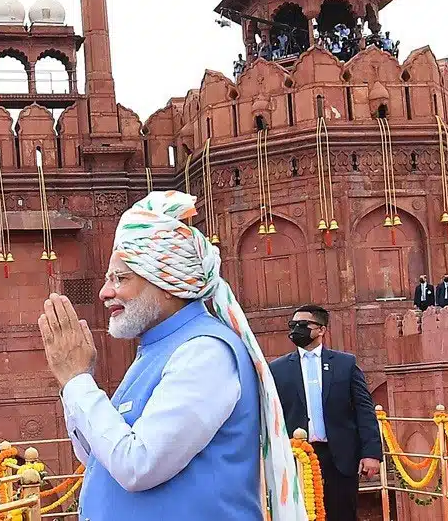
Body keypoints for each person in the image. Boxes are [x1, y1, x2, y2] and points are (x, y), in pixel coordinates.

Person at [38, 191, 305, 521]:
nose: (105, 293)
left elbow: (138, 464)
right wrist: (75, 384)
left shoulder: (204, 351)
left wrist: (78, 381)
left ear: (167, 283)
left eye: (120, 278)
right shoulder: (157, 349)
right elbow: (98, 454)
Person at [270, 305, 381, 521]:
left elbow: (364, 410)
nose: (296, 330)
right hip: (297, 456)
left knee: (342, 514)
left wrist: (371, 454)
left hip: (339, 455)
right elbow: (273, 414)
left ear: (321, 329)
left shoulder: (344, 364)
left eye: (303, 325)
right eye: (293, 325)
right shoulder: (278, 368)